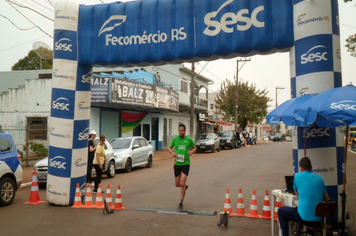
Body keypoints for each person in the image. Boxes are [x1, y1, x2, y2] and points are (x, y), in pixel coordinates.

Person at [278, 157, 329, 236]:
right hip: (319, 220)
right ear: (311, 167)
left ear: (300, 168)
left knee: (281, 211)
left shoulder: (297, 176)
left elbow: (297, 194)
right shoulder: (320, 179)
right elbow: (327, 199)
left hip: (303, 218)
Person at [168, 124, 197, 210]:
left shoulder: (188, 140)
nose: (180, 132)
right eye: (179, 130)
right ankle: (184, 187)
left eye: (182, 131)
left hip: (185, 163)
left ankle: (181, 202)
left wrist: (191, 152)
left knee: (183, 182)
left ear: (185, 131)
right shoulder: (175, 139)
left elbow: (195, 147)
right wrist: (171, 152)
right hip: (177, 164)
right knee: (177, 184)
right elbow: (169, 148)